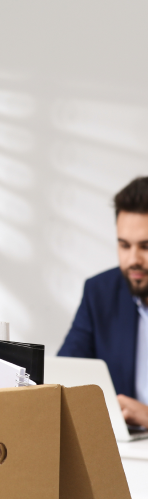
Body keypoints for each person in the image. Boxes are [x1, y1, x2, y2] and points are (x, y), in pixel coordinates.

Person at [58, 176, 148, 430]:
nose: (133, 260)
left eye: (145, 246)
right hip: (125, 453)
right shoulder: (100, 292)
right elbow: (63, 377)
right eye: (124, 245)